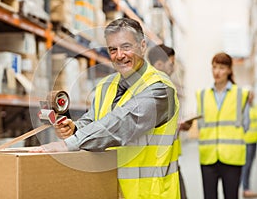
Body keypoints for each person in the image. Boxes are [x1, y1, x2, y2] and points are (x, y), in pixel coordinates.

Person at [31, 18, 181, 198]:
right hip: (110, 190)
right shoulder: (105, 85)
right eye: (113, 49)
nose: (119, 55)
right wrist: (75, 128)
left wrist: (68, 143)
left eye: (126, 47)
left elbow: (122, 124)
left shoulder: (159, 88)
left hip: (150, 194)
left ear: (142, 46)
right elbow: (95, 119)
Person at [195, 52, 250, 199]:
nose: (217, 72)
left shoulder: (241, 94)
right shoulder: (202, 94)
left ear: (229, 70)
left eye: (221, 68)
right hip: (208, 158)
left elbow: (246, 124)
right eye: (214, 67)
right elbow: (201, 125)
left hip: (232, 157)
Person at [148, 44, 190, 199]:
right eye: (171, 64)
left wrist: (178, 126)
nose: (173, 68)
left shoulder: (166, 87)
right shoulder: (152, 90)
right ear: (159, 64)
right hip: (158, 163)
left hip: (170, 159)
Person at [242, 93, 257, 198]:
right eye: (250, 95)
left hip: (254, 141)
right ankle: (245, 188)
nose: (252, 96)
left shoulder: (254, 107)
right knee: (246, 166)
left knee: (249, 165)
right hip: (247, 141)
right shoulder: (244, 107)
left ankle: (245, 187)